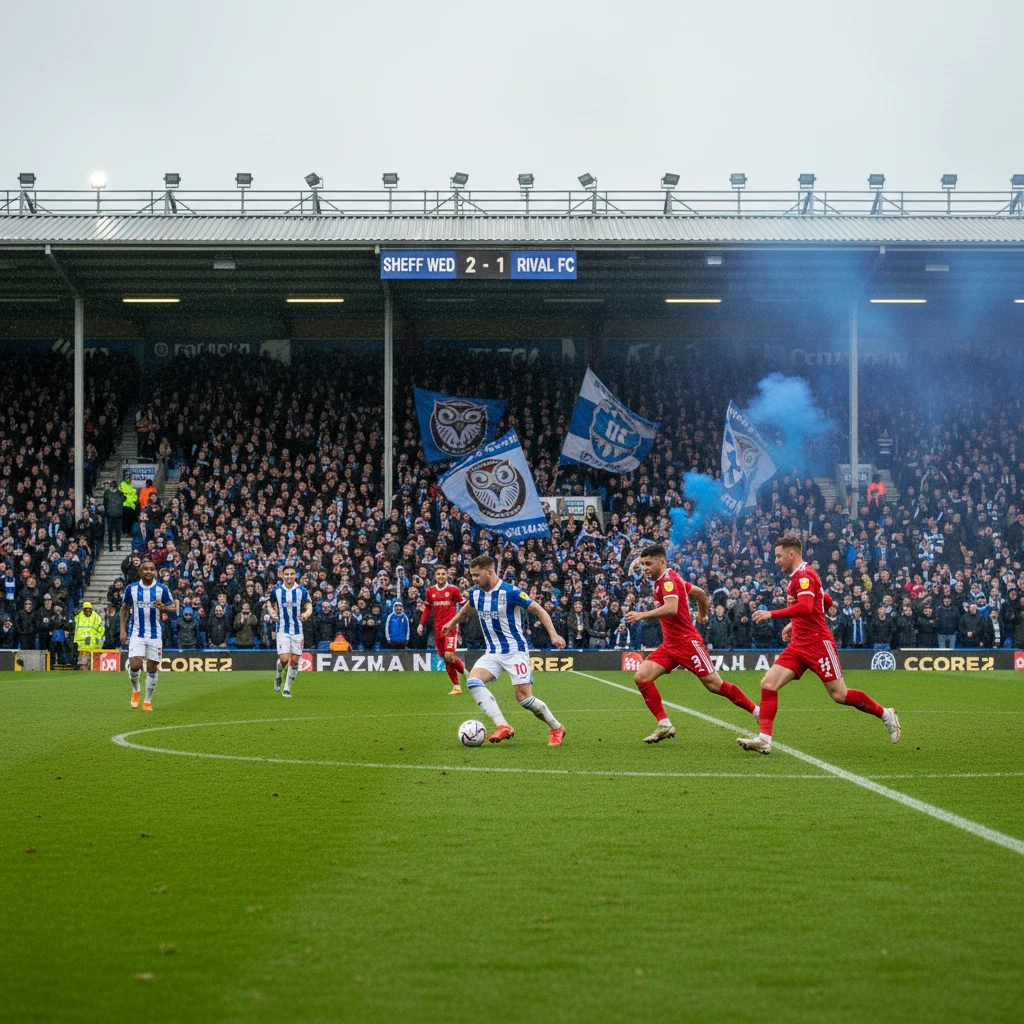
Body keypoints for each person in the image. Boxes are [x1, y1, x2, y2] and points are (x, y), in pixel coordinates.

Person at [739, 536, 899, 755]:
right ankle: (764, 739)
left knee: (840, 695)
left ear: (791, 554)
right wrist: (793, 625)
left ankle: (886, 714)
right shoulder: (799, 576)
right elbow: (826, 602)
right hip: (798, 645)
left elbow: (806, 606)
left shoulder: (804, 576)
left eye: (778, 556)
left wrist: (772, 614)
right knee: (768, 683)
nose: (776, 561)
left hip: (818, 644)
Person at [624, 545, 758, 744]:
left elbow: (671, 608)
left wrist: (642, 615)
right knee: (642, 677)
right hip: (670, 645)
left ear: (662, 562)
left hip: (688, 643)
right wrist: (703, 614)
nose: (645, 568)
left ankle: (757, 711)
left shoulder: (668, 581)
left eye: (649, 564)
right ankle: (664, 724)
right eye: (643, 564)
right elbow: (700, 593)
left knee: (715, 685)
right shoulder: (668, 578)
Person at [441, 555, 566, 746]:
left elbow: (539, 609)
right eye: (472, 575)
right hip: (492, 652)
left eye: (477, 575)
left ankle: (556, 727)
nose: (474, 579)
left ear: (490, 572)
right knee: (473, 681)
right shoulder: (476, 593)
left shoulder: (510, 592)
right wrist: (451, 623)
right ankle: (503, 725)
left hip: (515, 651)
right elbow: (467, 610)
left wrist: (554, 635)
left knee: (524, 698)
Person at [120, 559, 176, 710]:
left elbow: (173, 607)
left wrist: (163, 607)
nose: (149, 572)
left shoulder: (161, 589)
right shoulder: (131, 588)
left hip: (154, 634)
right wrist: (123, 630)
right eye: (146, 569)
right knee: (135, 665)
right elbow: (124, 609)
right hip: (136, 632)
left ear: (155, 572)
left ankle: (147, 701)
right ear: (140, 571)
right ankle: (136, 690)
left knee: (152, 668)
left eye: (152, 569)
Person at [417, 566, 468, 694]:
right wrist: (421, 624)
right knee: (446, 658)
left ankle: (467, 674)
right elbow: (428, 608)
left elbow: (463, 604)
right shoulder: (430, 591)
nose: (441, 576)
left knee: (448, 654)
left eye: (443, 574)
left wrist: (466, 614)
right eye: (438, 574)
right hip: (437, 628)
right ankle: (456, 686)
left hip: (450, 627)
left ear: (447, 576)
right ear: (435, 576)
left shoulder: (453, 590)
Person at [268, 566, 312, 697]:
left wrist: (306, 614)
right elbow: (269, 603)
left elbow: (309, 605)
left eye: (291, 574)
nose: (289, 576)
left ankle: (287, 688)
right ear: (282, 575)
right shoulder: (276, 590)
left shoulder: (301, 590)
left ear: (295, 575)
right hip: (282, 629)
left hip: (297, 630)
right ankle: (278, 676)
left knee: (294, 660)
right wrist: (272, 613)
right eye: (286, 574)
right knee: (284, 659)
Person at [73, 601, 104, 666]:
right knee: (83, 665)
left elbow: (101, 630)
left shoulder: (96, 617)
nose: (87, 612)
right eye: (86, 610)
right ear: (83, 610)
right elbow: (75, 629)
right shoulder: (79, 617)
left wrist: (98, 640)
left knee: (93, 665)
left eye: (89, 610)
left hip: (93, 645)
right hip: (82, 646)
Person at [103, 479, 123, 552]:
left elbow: (123, 499)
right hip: (110, 516)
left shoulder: (119, 493)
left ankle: (116, 544)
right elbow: (105, 503)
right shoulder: (107, 492)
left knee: (117, 531)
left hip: (117, 516)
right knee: (110, 531)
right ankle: (111, 545)